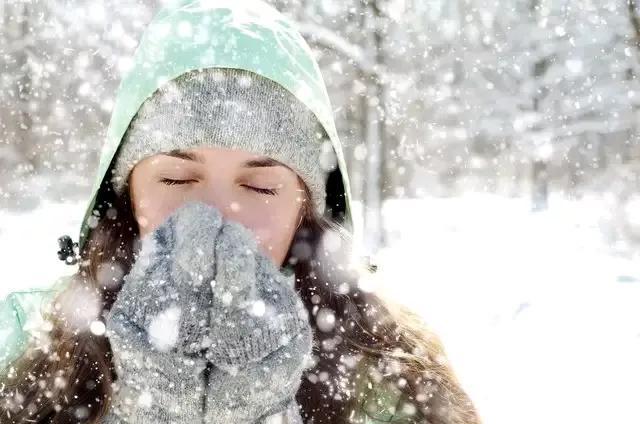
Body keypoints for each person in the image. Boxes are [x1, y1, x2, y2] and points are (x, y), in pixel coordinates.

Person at [0, 0, 482, 422]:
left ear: (306, 212)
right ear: (126, 198)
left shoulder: (392, 373)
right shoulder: (27, 346)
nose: (217, 213)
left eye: (259, 185)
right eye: (176, 179)